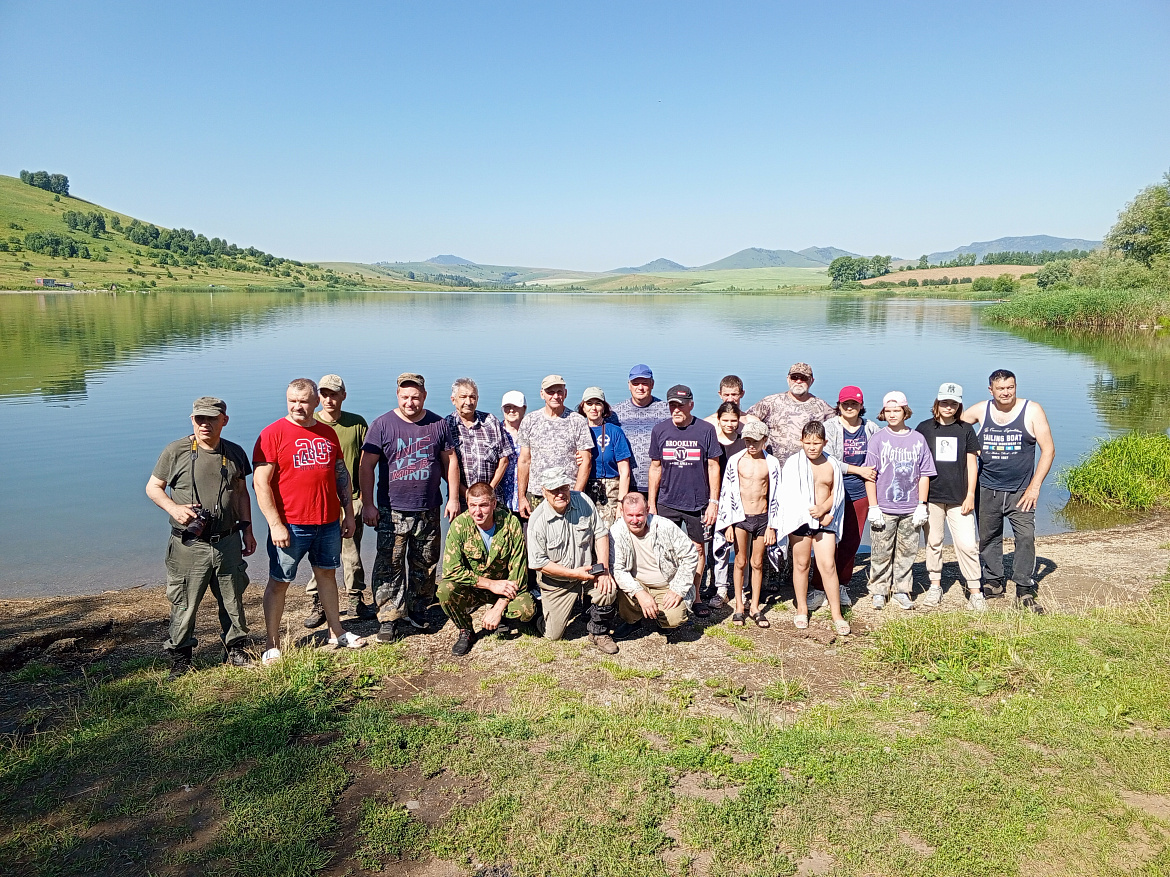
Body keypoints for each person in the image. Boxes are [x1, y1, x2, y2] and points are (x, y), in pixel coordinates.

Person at [253, 379, 364, 664]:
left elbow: (341, 475)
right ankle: (272, 643)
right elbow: (261, 483)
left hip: (327, 521)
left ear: (316, 402)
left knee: (327, 574)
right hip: (290, 524)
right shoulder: (273, 434)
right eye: (292, 400)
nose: (298, 406)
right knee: (279, 581)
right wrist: (275, 524)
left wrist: (348, 513)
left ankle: (336, 631)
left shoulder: (327, 433)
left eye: (304, 401)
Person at [146, 396, 257, 676]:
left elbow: (242, 493)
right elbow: (153, 488)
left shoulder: (235, 453)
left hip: (228, 541)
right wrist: (174, 508)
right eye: (199, 419)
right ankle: (181, 658)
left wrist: (248, 530)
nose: (204, 424)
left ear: (224, 421)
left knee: (233, 599)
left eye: (211, 418)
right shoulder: (176, 451)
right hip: (189, 544)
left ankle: (235, 649)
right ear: (192, 420)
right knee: (184, 603)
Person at [360, 373, 461, 643]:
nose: (410, 401)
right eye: (405, 396)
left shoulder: (438, 424)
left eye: (415, 396)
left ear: (424, 396)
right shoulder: (382, 424)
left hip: (427, 507)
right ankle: (389, 616)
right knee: (389, 564)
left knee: (425, 562)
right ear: (397, 396)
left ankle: (418, 608)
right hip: (392, 510)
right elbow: (366, 467)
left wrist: (453, 498)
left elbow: (450, 461)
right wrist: (368, 504)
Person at [961, 369, 1055, 611]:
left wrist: (1034, 487)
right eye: (1000, 388)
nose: (1006, 392)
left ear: (1015, 387)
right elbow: (952, 423)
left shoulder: (1031, 410)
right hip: (987, 487)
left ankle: (1024, 586)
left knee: (1025, 537)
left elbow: (1048, 450)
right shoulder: (982, 409)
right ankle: (994, 581)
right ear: (991, 390)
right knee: (989, 537)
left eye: (1010, 387)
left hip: (1021, 491)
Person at [305, 374, 375, 628]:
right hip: (319, 504)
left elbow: (366, 465)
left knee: (352, 553)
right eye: (324, 394)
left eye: (334, 394)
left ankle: (355, 598)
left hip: (352, 500)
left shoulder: (356, 424)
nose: (329, 399)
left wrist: (367, 501)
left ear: (343, 396)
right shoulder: (308, 424)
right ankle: (318, 602)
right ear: (317, 398)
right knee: (319, 554)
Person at [648, 384, 722, 618]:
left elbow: (713, 466)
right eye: (672, 405)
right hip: (667, 501)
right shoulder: (660, 430)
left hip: (697, 502)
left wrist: (713, 502)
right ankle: (669, 591)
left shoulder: (706, 430)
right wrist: (651, 503)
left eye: (680, 405)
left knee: (698, 549)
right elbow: (655, 468)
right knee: (664, 549)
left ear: (691, 404)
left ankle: (697, 595)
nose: (676, 409)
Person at [437, 481, 535, 656]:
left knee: (526, 609)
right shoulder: (460, 525)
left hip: (505, 589)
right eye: (473, 506)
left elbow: (518, 572)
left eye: (483, 505)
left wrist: (498, 607)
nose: (478, 511)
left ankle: (502, 617)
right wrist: (490, 584)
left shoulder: (510, 523)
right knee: (445, 590)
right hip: (474, 588)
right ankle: (465, 631)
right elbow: (450, 570)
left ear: (494, 503)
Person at [527, 468, 619, 653]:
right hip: (557, 581)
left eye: (564, 487)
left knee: (608, 589)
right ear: (544, 492)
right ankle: (543, 614)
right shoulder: (537, 521)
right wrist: (573, 574)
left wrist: (604, 570)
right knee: (553, 635)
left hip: (588, 571)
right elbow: (539, 563)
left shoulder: (583, 501)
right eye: (554, 490)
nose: (560, 493)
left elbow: (601, 534)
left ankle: (598, 631)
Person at [865, 391, 937, 611]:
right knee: (880, 551)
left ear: (905, 412)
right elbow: (870, 474)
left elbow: (924, 473)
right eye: (888, 411)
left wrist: (922, 506)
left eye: (897, 410)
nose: (893, 414)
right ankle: (879, 590)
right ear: (883, 413)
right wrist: (873, 506)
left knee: (907, 552)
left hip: (910, 508)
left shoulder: (917, 439)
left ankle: (902, 590)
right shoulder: (878, 438)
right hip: (884, 508)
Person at [916, 382, 985, 611]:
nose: (948, 407)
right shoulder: (924, 428)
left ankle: (975, 590)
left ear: (959, 405)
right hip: (932, 497)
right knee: (933, 542)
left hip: (959, 498)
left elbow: (972, 465)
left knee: (966, 544)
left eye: (953, 403)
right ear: (937, 403)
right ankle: (935, 586)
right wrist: (920, 501)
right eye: (945, 402)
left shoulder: (965, 429)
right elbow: (916, 463)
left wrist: (970, 495)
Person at [779, 421, 851, 635]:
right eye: (808, 442)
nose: (812, 447)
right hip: (801, 521)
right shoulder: (793, 463)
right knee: (801, 564)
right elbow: (788, 494)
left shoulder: (832, 464)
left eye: (817, 443)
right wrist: (808, 513)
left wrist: (825, 511)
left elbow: (836, 493)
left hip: (826, 520)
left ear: (824, 442)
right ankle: (802, 608)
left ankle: (836, 613)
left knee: (828, 565)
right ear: (801, 441)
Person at [715, 419, 782, 627]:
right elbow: (726, 492)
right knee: (740, 561)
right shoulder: (736, 461)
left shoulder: (771, 463)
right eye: (747, 441)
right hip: (740, 517)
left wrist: (773, 524)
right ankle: (738, 607)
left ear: (764, 440)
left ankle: (754, 606)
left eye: (755, 441)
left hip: (762, 517)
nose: (751, 446)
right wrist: (727, 524)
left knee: (757, 562)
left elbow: (777, 494)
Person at [818, 386, 879, 607]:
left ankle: (842, 584)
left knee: (851, 541)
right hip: (834, 491)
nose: (850, 407)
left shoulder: (871, 428)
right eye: (846, 404)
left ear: (861, 406)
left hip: (861, 492)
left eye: (854, 404)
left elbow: (879, 456)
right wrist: (857, 470)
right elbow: (828, 458)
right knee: (826, 540)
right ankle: (818, 587)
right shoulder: (830, 427)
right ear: (839, 405)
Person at [610, 493, 699, 634]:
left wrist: (677, 589)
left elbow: (690, 555)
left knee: (674, 619)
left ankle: (663, 622)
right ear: (622, 512)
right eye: (630, 515)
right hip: (637, 582)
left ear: (647, 510)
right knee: (616, 586)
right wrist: (639, 592)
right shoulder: (616, 531)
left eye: (639, 515)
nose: (635, 520)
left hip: (666, 584)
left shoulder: (665, 526)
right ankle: (632, 620)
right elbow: (618, 569)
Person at [516, 375, 594, 517]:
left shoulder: (577, 421)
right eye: (550, 392)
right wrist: (521, 497)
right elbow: (524, 461)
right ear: (542, 394)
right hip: (537, 494)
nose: (555, 396)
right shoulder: (530, 420)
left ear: (565, 393)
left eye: (559, 392)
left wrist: (577, 494)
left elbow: (586, 461)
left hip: (566, 495)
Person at [746, 362, 835, 463]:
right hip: (773, 465)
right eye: (794, 377)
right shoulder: (771, 402)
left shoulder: (821, 406)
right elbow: (748, 417)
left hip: (807, 466)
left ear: (812, 381)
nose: (798, 381)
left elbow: (838, 424)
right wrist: (760, 437)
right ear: (788, 379)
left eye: (803, 378)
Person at [445, 377, 509, 507]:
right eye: (463, 397)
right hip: (461, 501)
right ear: (453, 400)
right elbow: (443, 467)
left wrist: (489, 491)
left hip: (491, 500)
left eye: (472, 397)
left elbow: (504, 459)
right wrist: (467, 493)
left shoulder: (490, 421)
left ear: (477, 399)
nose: (468, 402)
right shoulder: (446, 425)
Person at [709, 401, 747, 608]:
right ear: (719, 419)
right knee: (719, 546)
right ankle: (720, 588)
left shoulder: (744, 443)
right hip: (717, 500)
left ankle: (743, 589)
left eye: (734, 420)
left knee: (743, 548)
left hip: (741, 502)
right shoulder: (712, 440)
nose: (730, 424)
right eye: (725, 420)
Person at [610, 364, 670, 495]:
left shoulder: (667, 411)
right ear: (629, 385)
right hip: (626, 484)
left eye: (645, 383)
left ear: (652, 384)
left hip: (659, 485)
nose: (640, 388)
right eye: (636, 383)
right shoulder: (614, 413)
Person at [577, 387, 632, 529]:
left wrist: (621, 502)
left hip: (610, 489)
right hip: (581, 485)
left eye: (598, 403)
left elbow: (624, 471)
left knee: (608, 531)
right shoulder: (576, 429)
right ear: (583, 407)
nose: (593, 408)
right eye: (589, 404)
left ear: (604, 407)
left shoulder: (615, 432)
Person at [499, 390, 527, 514]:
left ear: (524, 409)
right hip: (501, 495)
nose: (511, 410)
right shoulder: (496, 431)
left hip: (526, 494)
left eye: (515, 407)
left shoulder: (531, 430)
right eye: (507, 407)